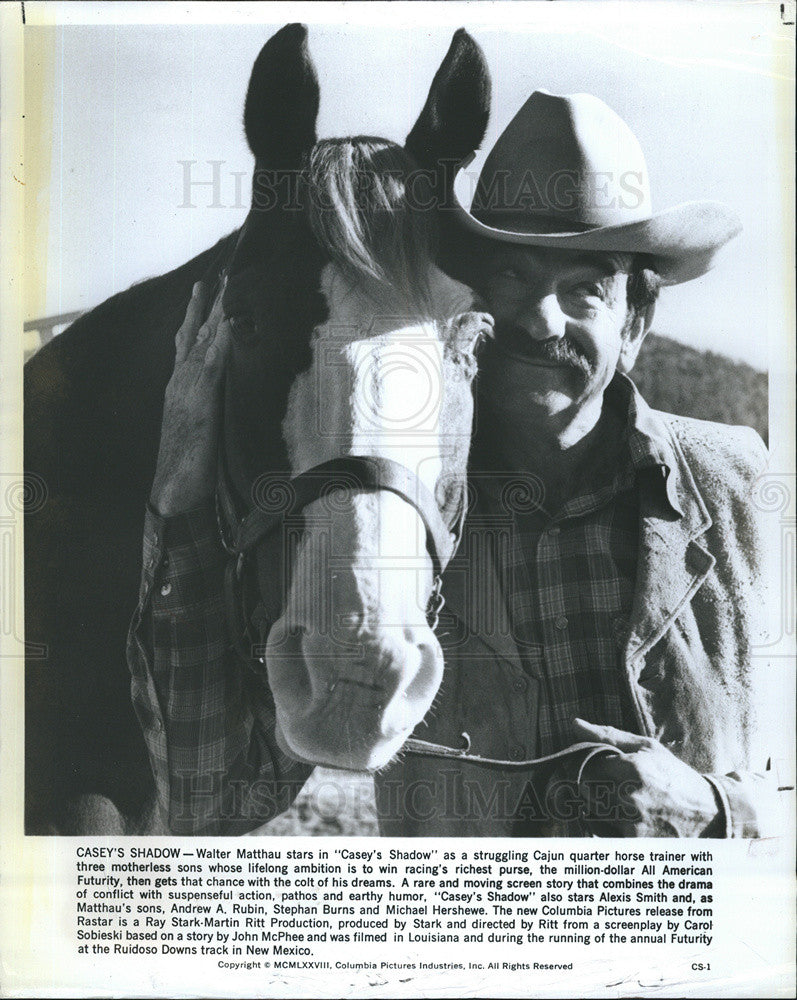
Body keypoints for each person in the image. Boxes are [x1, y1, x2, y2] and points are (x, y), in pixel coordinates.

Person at [128, 91, 780, 837]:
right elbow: (211, 797)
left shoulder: (745, 487)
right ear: (461, 310)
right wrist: (177, 502)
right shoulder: (400, 513)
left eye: (583, 290)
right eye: (510, 280)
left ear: (634, 322)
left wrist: (718, 810)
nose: (539, 320)